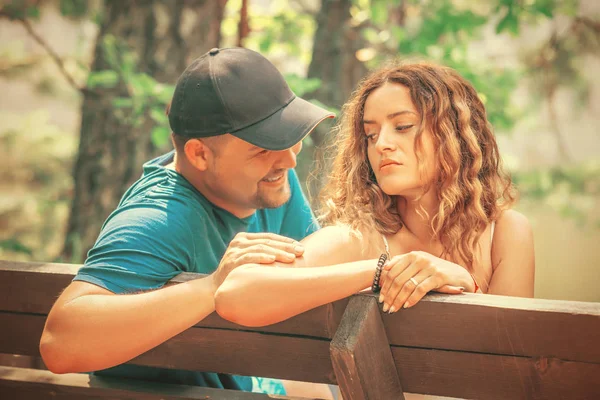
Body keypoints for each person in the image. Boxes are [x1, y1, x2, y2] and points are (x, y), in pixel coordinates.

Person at [39, 47, 335, 395]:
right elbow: (60, 344)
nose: (289, 159)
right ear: (199, 154)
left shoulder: (269, 182)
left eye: (289, 137)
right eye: (264, 148)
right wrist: (213, 288)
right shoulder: (157, 219)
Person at [214, 61, 535, 328]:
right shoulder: (360, 239)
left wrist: (466, 283)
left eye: (403, 126)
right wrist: (380, 270)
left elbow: (513, 362)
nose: (381, 144)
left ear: (454, 135)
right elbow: (235, 293)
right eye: (370, 134)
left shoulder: (504, 233)